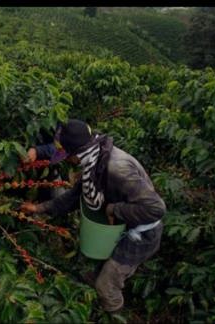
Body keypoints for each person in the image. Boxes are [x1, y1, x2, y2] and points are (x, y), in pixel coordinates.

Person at [20, 119, 165, 313]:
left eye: (66, 155)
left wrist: (114, 210)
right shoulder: (94, 163)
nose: (67, 161)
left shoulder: (115, 169)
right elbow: (73, 197)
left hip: (142, 234)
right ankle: (103, 298)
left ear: (76, 153)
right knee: (94, 273)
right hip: (119, 227)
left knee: (105, 285)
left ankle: (115, 314)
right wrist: (38, 209)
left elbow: (155, 209)